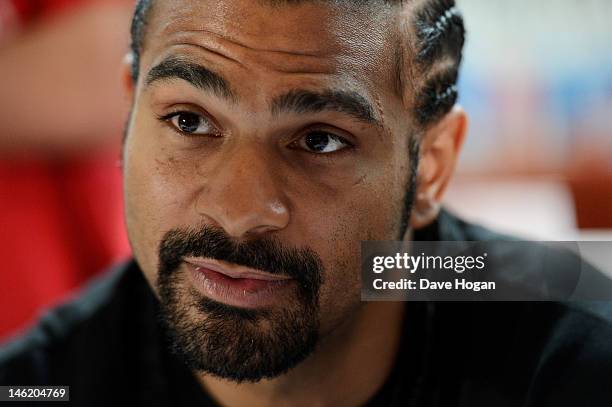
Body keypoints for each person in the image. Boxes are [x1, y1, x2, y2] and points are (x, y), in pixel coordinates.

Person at [1, 0, 612, 406]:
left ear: (430, 168)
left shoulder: (573, 359)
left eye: (320, 140)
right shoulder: (43, 384)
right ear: (130, 114)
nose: (239, 211)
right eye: (189, 121)